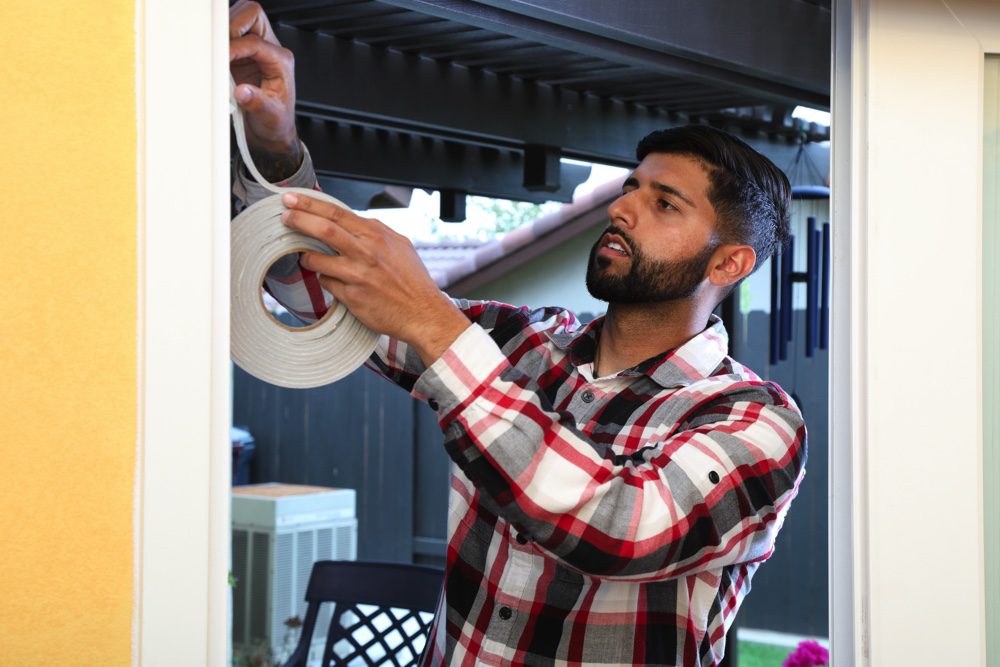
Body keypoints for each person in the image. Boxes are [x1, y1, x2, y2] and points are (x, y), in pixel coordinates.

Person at [230, 3, 807, 665]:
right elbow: (323, 298)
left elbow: (622, 528)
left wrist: (433, 322)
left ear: (728, 262)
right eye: (631, 187)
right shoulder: (522, 343)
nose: (622, 206)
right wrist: (275, 152)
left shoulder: (755, 420)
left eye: (663, 202)